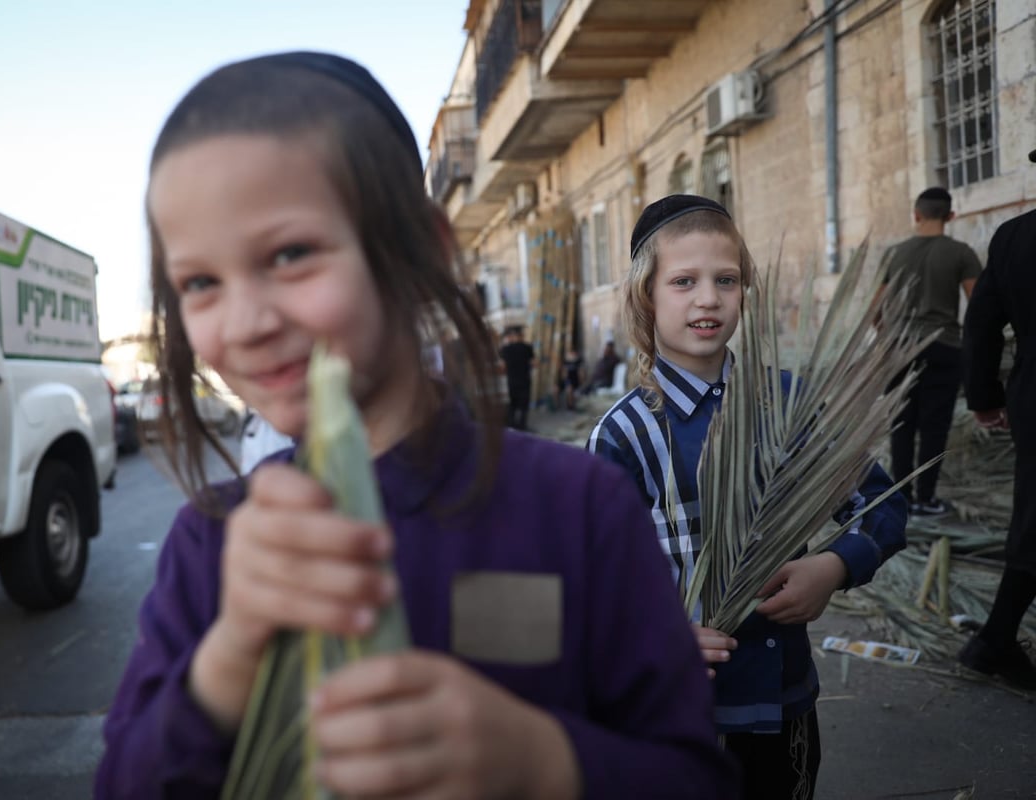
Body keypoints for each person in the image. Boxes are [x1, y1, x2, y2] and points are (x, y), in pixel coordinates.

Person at [95, 54, 736, 798]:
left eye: (292, 254)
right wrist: (230, 657)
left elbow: (696, 774)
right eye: (200, 282)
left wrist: (539, 760)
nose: (245, 323)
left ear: (423, 249)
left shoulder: (577, 507)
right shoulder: (213, 544)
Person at [587, 194, 908, 799]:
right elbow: (591, 583)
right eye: (684, 281)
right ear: (645, 295)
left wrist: (834, 567)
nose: (708, 298)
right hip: (670, 715)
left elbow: (884, 506)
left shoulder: (790, 406)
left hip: (783, 705)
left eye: (726, 280)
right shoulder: (624, 434)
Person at [957, 148, 1036, 690]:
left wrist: (985, 395)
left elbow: (980, 326)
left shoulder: (1013, 238)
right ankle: (994, 640)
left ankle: (996, 640)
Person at [881, 187, 982, 516]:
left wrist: (890, 337)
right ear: (951, 216)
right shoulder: (961, 253)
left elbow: (874, 311)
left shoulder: (893, 254)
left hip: (900, 349)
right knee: (934, 427)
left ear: (916, 215)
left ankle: (902, 499)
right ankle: (926, 499)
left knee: (902, 424)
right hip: (944, 348)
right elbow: (979, 305)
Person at [498, 325, 534, 430]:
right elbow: (533, 363)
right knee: (524, 405)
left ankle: (512, 425)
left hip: (511, 380)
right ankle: (522, 426)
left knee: (512, 404)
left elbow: (502, 366)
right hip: (524, 380)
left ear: (513, 337)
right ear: (522, 336)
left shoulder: (505, 349)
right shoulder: (527, 347)